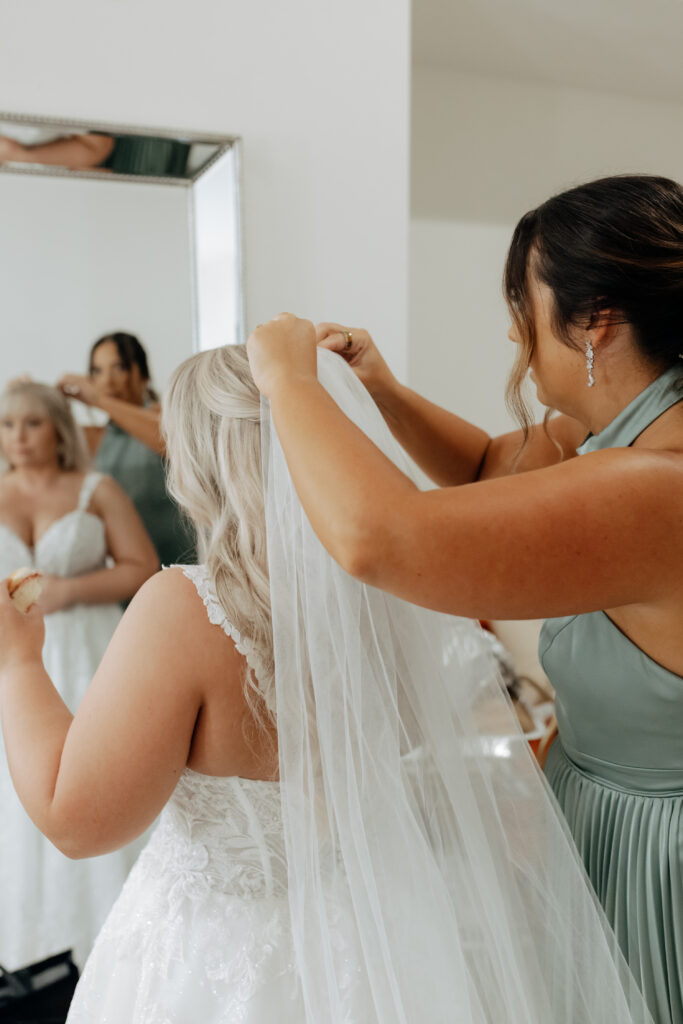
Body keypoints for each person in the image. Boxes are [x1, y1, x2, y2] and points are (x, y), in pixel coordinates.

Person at [0, 346, 653, 1023]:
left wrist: (18, 662)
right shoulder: (389, 603)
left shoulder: (182, 610)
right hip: (374, 942)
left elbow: (75, 821)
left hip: (217, 959)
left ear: (197, 461)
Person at [245, 174, 683, 1024]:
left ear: (593, 318)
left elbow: (381, 540)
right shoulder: (621, 430)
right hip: (595, 812)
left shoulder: (651, 486)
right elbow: (488, 468)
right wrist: (378, 387)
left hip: (654, 857)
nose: (514, 330)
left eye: (524, 303)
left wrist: (288, 382)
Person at [0, 381, 158, 968]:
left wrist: (69, 591)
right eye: (7, 425)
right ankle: (36, 947)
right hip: (14, 658)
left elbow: (144, 568)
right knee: (19, 792)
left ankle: (121, 941)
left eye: (31, 424)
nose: (17, 438)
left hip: (93, 650)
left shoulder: (97, 490)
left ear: (58, 429)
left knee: (98, 774)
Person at [59, 331, 195, 566]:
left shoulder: (164, 416)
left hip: (176, 560)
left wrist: (97, 400)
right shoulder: (99, 435)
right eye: (97, 371)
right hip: (126, 565)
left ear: (142, 375)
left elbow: (168, 441)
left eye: (119, 368)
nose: (107, 381)